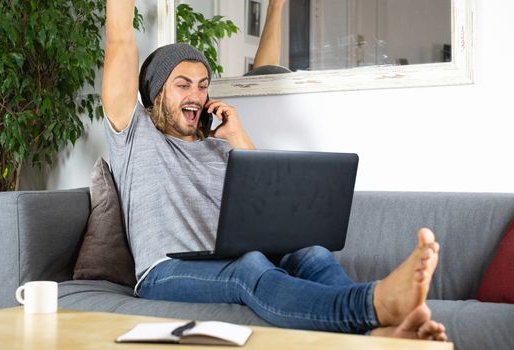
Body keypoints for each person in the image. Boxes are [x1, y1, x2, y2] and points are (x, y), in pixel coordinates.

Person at [101, 0, 447, 340]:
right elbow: (119, 38)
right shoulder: (135, 136)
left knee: (310, 253)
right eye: (183, 84)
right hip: (163, 272)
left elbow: (273, 204)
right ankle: (373, 304)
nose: (197, 94)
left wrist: (237, 136)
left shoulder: (220, 146)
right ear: (157, 93)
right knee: (249, 267)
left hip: (222, 259)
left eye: (203, 84)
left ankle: (380, 331)